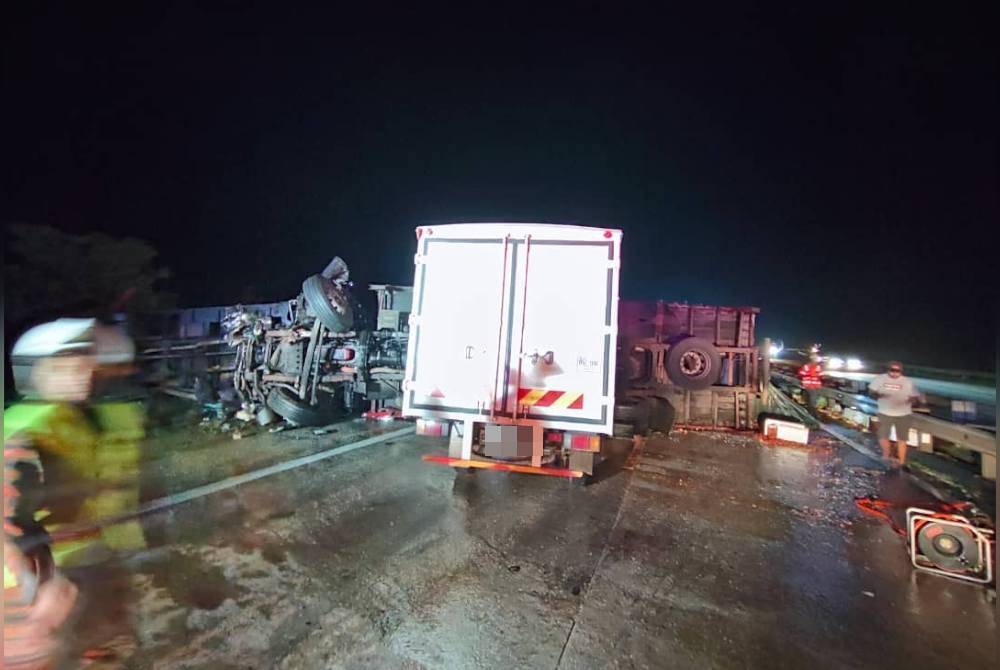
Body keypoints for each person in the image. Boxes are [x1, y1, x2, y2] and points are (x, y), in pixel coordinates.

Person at [868, 361, 923, 467]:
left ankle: (901, 461)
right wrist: (878, 395)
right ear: (888, 369)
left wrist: (913, 401)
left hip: (903, 414)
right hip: (885, 412)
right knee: (883, 436)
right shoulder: (880, 379)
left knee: (902, 438)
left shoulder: (908, 382)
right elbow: (871, 393)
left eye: (897, 370)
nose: (894, 373)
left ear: (901, 371)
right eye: (892, 370)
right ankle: (886, 455)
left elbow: (916, 398)